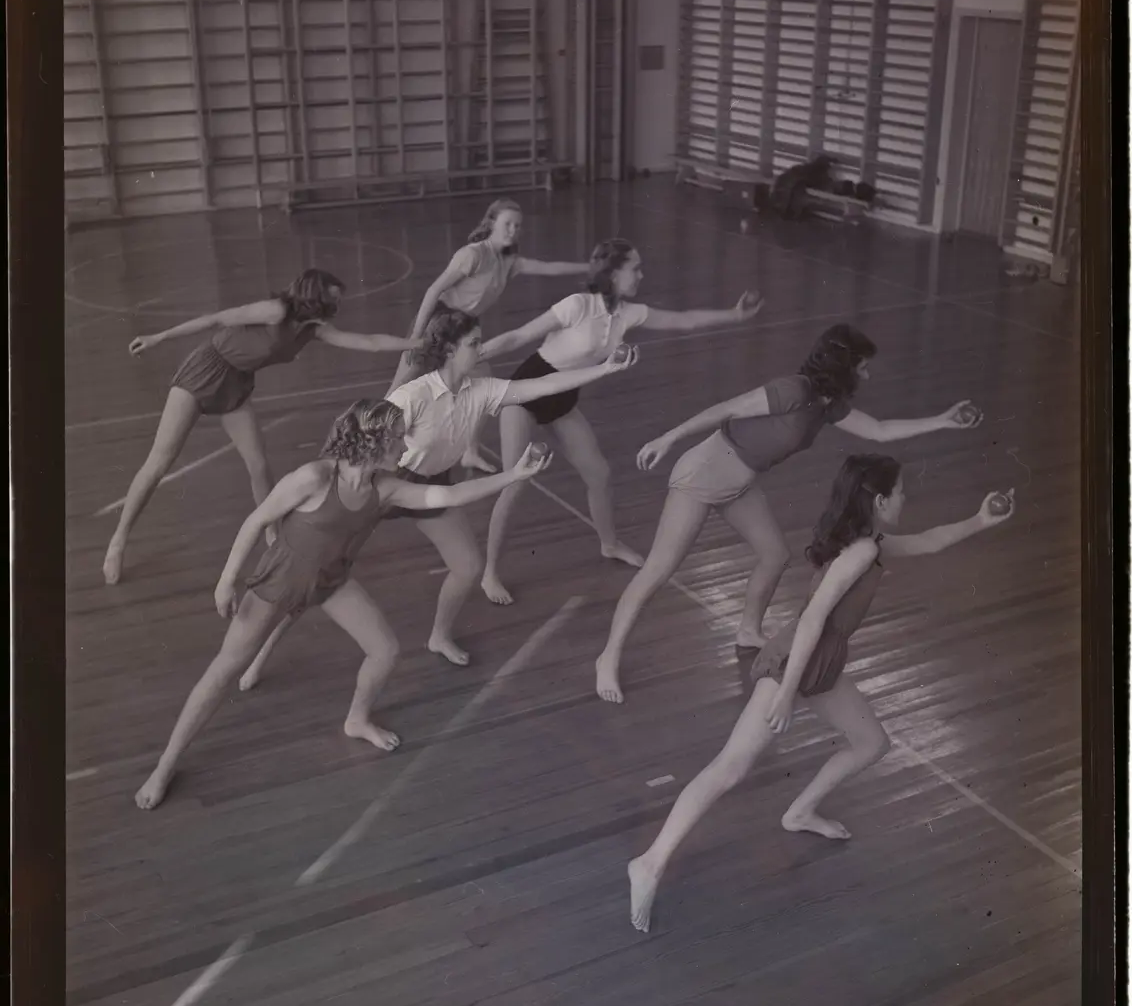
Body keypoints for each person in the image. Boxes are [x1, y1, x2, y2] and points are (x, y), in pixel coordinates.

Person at [626, 455, 1016, 932]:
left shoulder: (872, 543)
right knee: (731, 767)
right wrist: (786, 693)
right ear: (880, 500)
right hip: (797, 659)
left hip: (822, 661)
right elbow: (811, 619)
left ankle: (800, 811)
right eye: (901, 491)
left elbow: (930, 541)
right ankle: (649, 863)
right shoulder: (860, 552)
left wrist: (981, 519)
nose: (906, 498)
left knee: (871, 743)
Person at [134, 398, 552, 811]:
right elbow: (256, 520)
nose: (405, 445)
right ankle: (165, 765)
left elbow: (451, 495)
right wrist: (226, 581)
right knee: (223, 671)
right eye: (398, 437)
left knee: (385, 650)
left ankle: (357, 719)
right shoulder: (314, 477)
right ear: (374, 442)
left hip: (332, 582)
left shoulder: (385, 489)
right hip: (278, 583)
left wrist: (514, 474)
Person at [240, 306, 638, 684]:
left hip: (431, 485)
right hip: (384, 484)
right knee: (322, 571)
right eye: (473, 343)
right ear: (449, 350)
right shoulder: (413, 396)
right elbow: (362, 441)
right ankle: (260, 655)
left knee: (468, 565)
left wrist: (604, 369)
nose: (482, 348)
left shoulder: (482, 389)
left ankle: (439, 636)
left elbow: (541, 385)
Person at [595, 323, 984, 703]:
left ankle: (748, 630)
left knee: (775, 555)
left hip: (740, 483)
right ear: (844, 367)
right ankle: (608, 656)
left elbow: (880, 429)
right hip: (703, 474)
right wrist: (668, 438)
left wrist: (942, 420)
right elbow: (727, 409)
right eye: (862, 366)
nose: (867, 374)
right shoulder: (793, 390)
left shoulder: (828, 406)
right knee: (658, 570)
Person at [478, 237, 765, 606]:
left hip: (564, 397)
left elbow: (685, 320)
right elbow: (518, 336)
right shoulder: (577, 305)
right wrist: (472, 354)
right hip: (525, 393)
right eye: (635, 268)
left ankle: (609, 543)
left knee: (599, 474)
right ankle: (489, 572)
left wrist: (735, 315)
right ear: (613, 273)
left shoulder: (628, 313)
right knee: (515, 484)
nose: (641, 275)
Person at [104, 269, 417, 586]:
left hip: (236, 383)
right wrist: (159, 338)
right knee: (159, 462)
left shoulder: (314, 329)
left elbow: (369, 342)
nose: (337, 306)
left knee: (258, 465)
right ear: (314, 296)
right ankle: (118, 540)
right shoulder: (275, 311)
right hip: (206, 369)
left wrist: (416, 342)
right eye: (333, 299)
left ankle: (271, 537)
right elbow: (216, 319)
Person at [386, 198, 590, 472]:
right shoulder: (472, 254)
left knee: (480, 382)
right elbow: (433, 290)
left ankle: (470, 452)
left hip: (464, 328)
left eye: (517, 226)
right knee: (402, 383)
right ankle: (369, 443)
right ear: (492, 223)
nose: (513, 230)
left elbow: (550, 267)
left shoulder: (510, 262)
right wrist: (416, 335)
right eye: (508, 224)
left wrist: (589, 268)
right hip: (439, 321)